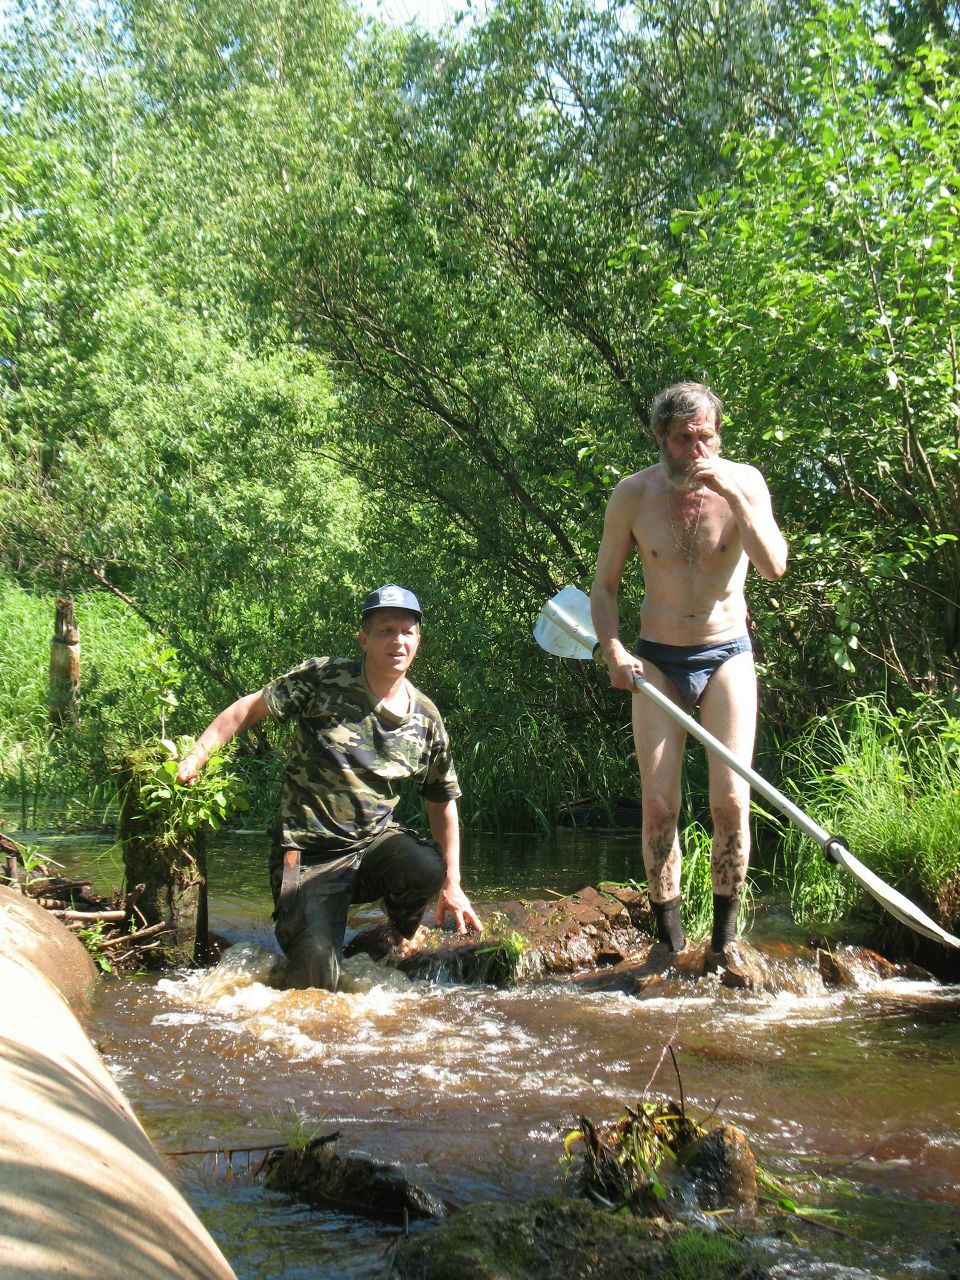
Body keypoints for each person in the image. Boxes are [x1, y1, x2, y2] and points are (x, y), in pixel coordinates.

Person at [176, 583, 481, 991]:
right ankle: (309, 934)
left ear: (419, 640)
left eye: (407, 631)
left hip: (372, 847)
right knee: (318, 980)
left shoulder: (425, 716)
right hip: (308, 854)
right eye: (386, 630)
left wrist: (453, 884)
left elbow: (441, 798)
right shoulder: (324, 678)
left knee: (426, 864)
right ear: (364, 639)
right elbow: (249, 708)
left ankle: (399, 934)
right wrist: (198, 755)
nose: (398, 641)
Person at [590, 382, 788, 964]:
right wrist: (613, 649)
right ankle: (669, 944)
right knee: (659, 803)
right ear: (660, 438)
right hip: (655, 658)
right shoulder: (633, 495)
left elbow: (774, 567)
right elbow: (604, 587)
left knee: (731, 798)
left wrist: (734, 493)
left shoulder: (745, 482)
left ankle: (724, 945)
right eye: (683, 440)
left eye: (706, 437)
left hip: (727, 652)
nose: (696, 451)